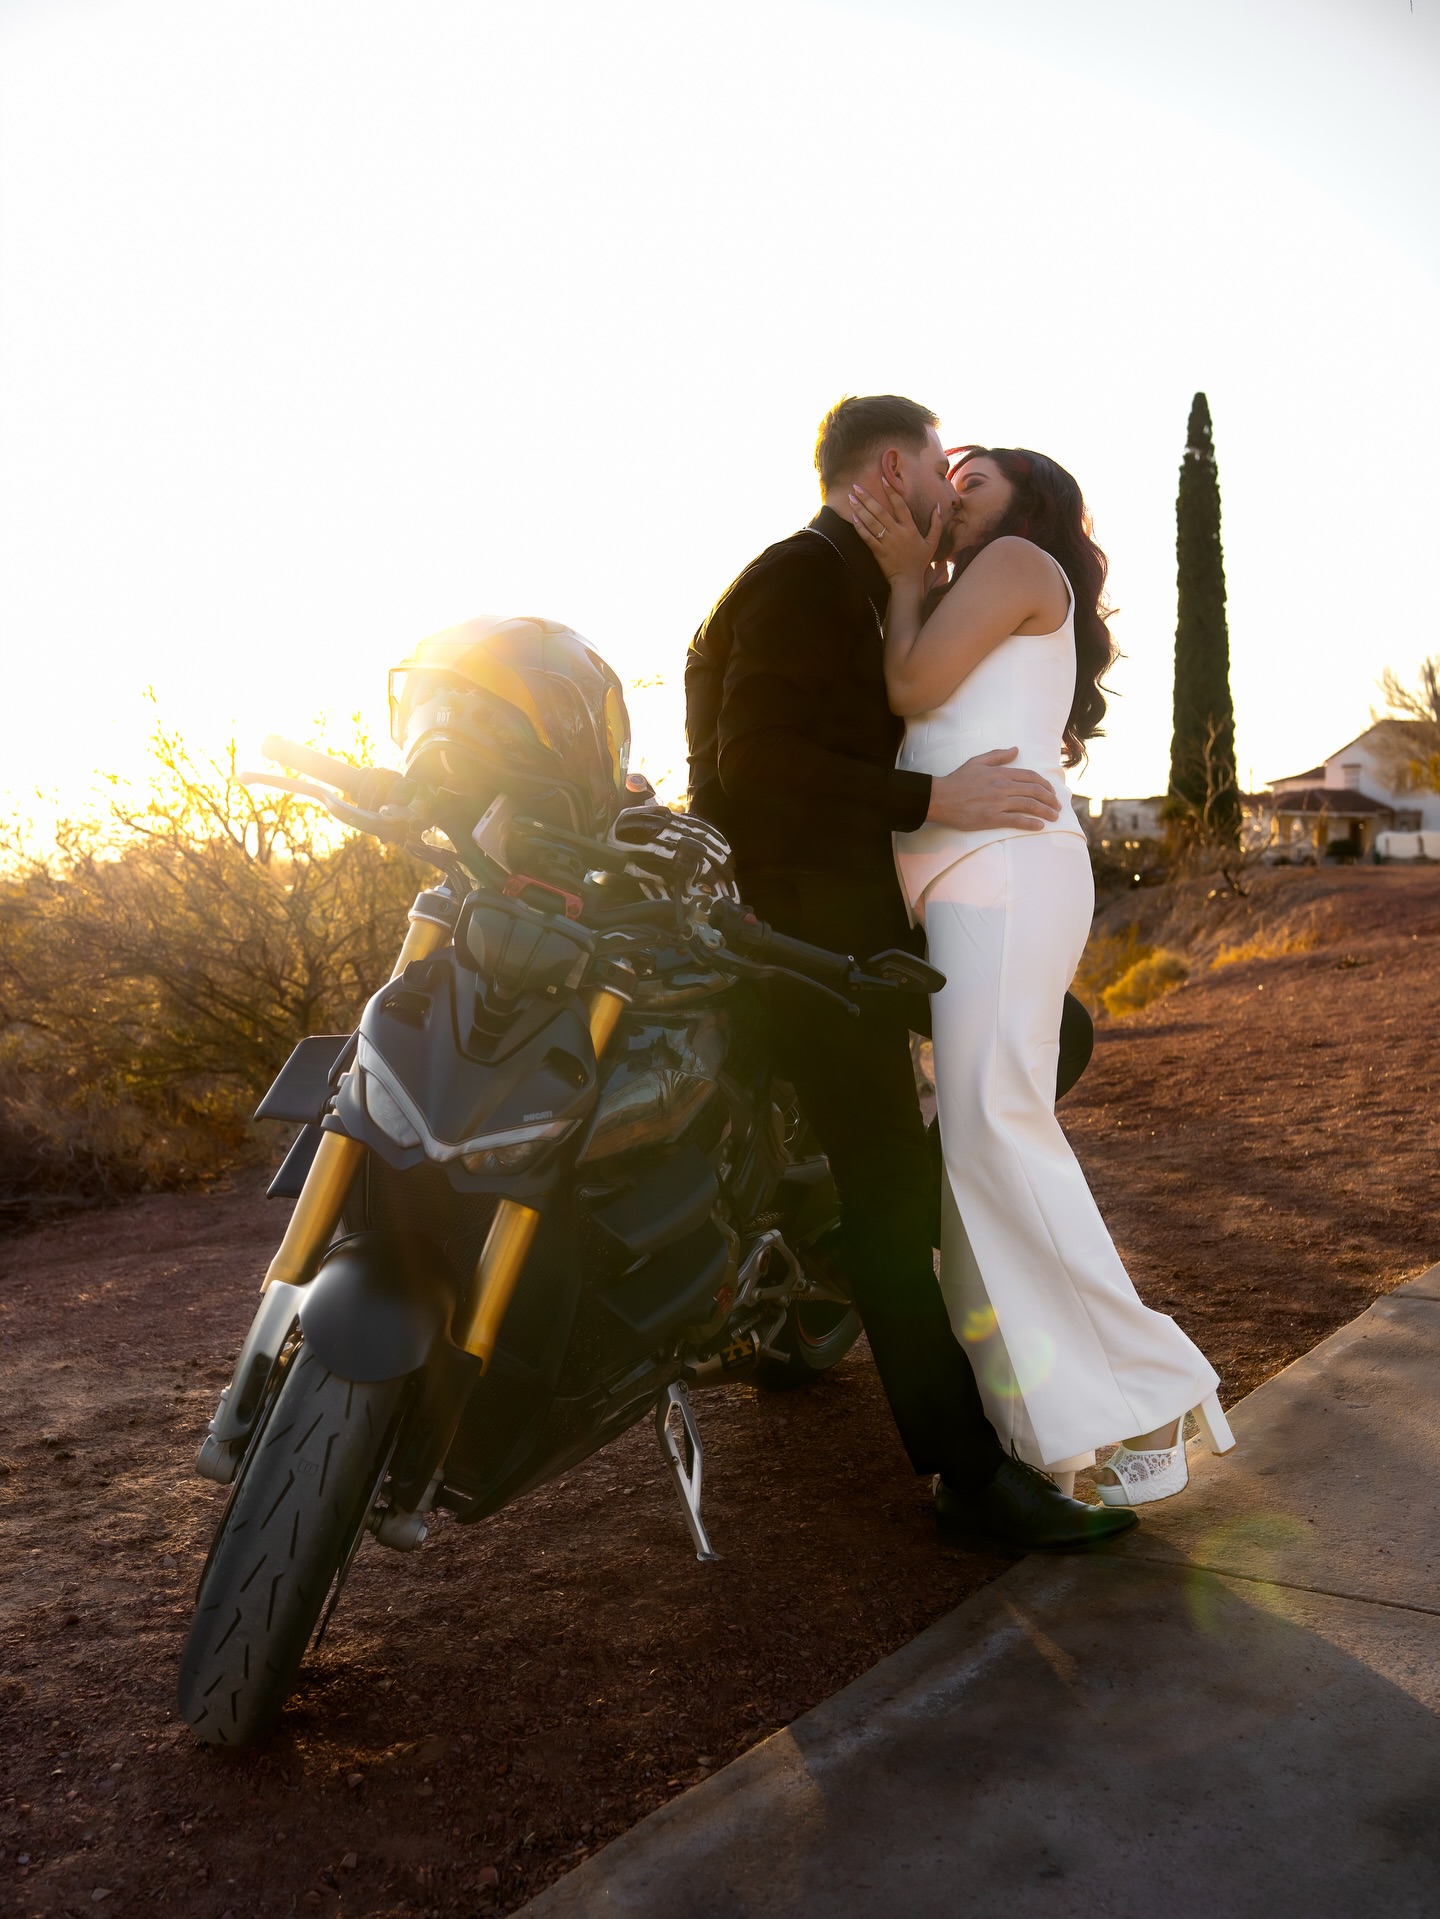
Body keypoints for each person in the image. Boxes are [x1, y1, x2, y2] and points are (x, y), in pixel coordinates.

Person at [685, 395, 1136, 1547]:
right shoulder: (798, 576)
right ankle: (969, 1475)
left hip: (866, 924)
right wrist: (931, 798)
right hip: (801, 940)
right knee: (893, 1196)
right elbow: (758, 765)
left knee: (1054, 1036)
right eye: (947, 463)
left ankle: (833, 1222)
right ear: (896, 467)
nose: (952, 485)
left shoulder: (865, 577)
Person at [847, 445, 1234, 1507]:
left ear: (1031, 503)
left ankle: (1148, 1393)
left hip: (1007, 875)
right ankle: (1053, 1427)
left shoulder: (1017, 561)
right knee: (976, 1142)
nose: (951, 492)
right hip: (972, 882)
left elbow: (910, 682)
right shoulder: (978, 582)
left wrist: (901, 572)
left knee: (992, 1123)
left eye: (974, 480)